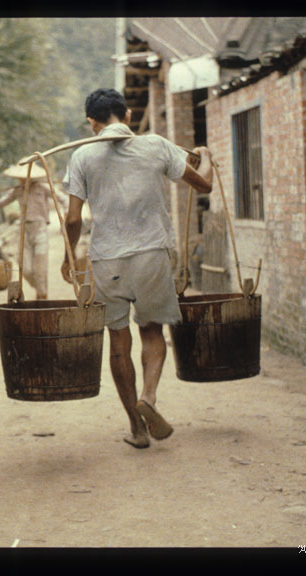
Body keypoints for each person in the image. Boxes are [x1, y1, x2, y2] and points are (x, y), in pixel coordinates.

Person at [62, 88, 213, 449]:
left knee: (118, 340)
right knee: (151, 332)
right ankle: (148, 396)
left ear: (92, 123)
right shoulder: (156, 145)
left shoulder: (82, 156)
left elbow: (72, 218)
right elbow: (204, 183)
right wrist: (204, 154)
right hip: (151, 255)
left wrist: (68, 257)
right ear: (127, 116)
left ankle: (137, 428)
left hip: (106, 259)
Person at [0, 159, 68, 300]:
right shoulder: (17, 191)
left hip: (40, 229)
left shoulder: (43, 187)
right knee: (26, 269)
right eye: (19, 177)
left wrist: (66, 214)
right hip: (24, 231)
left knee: (40, 269)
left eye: (24, 177)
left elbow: (64, 199)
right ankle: (41, 290)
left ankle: (42, 297)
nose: (21, 180)